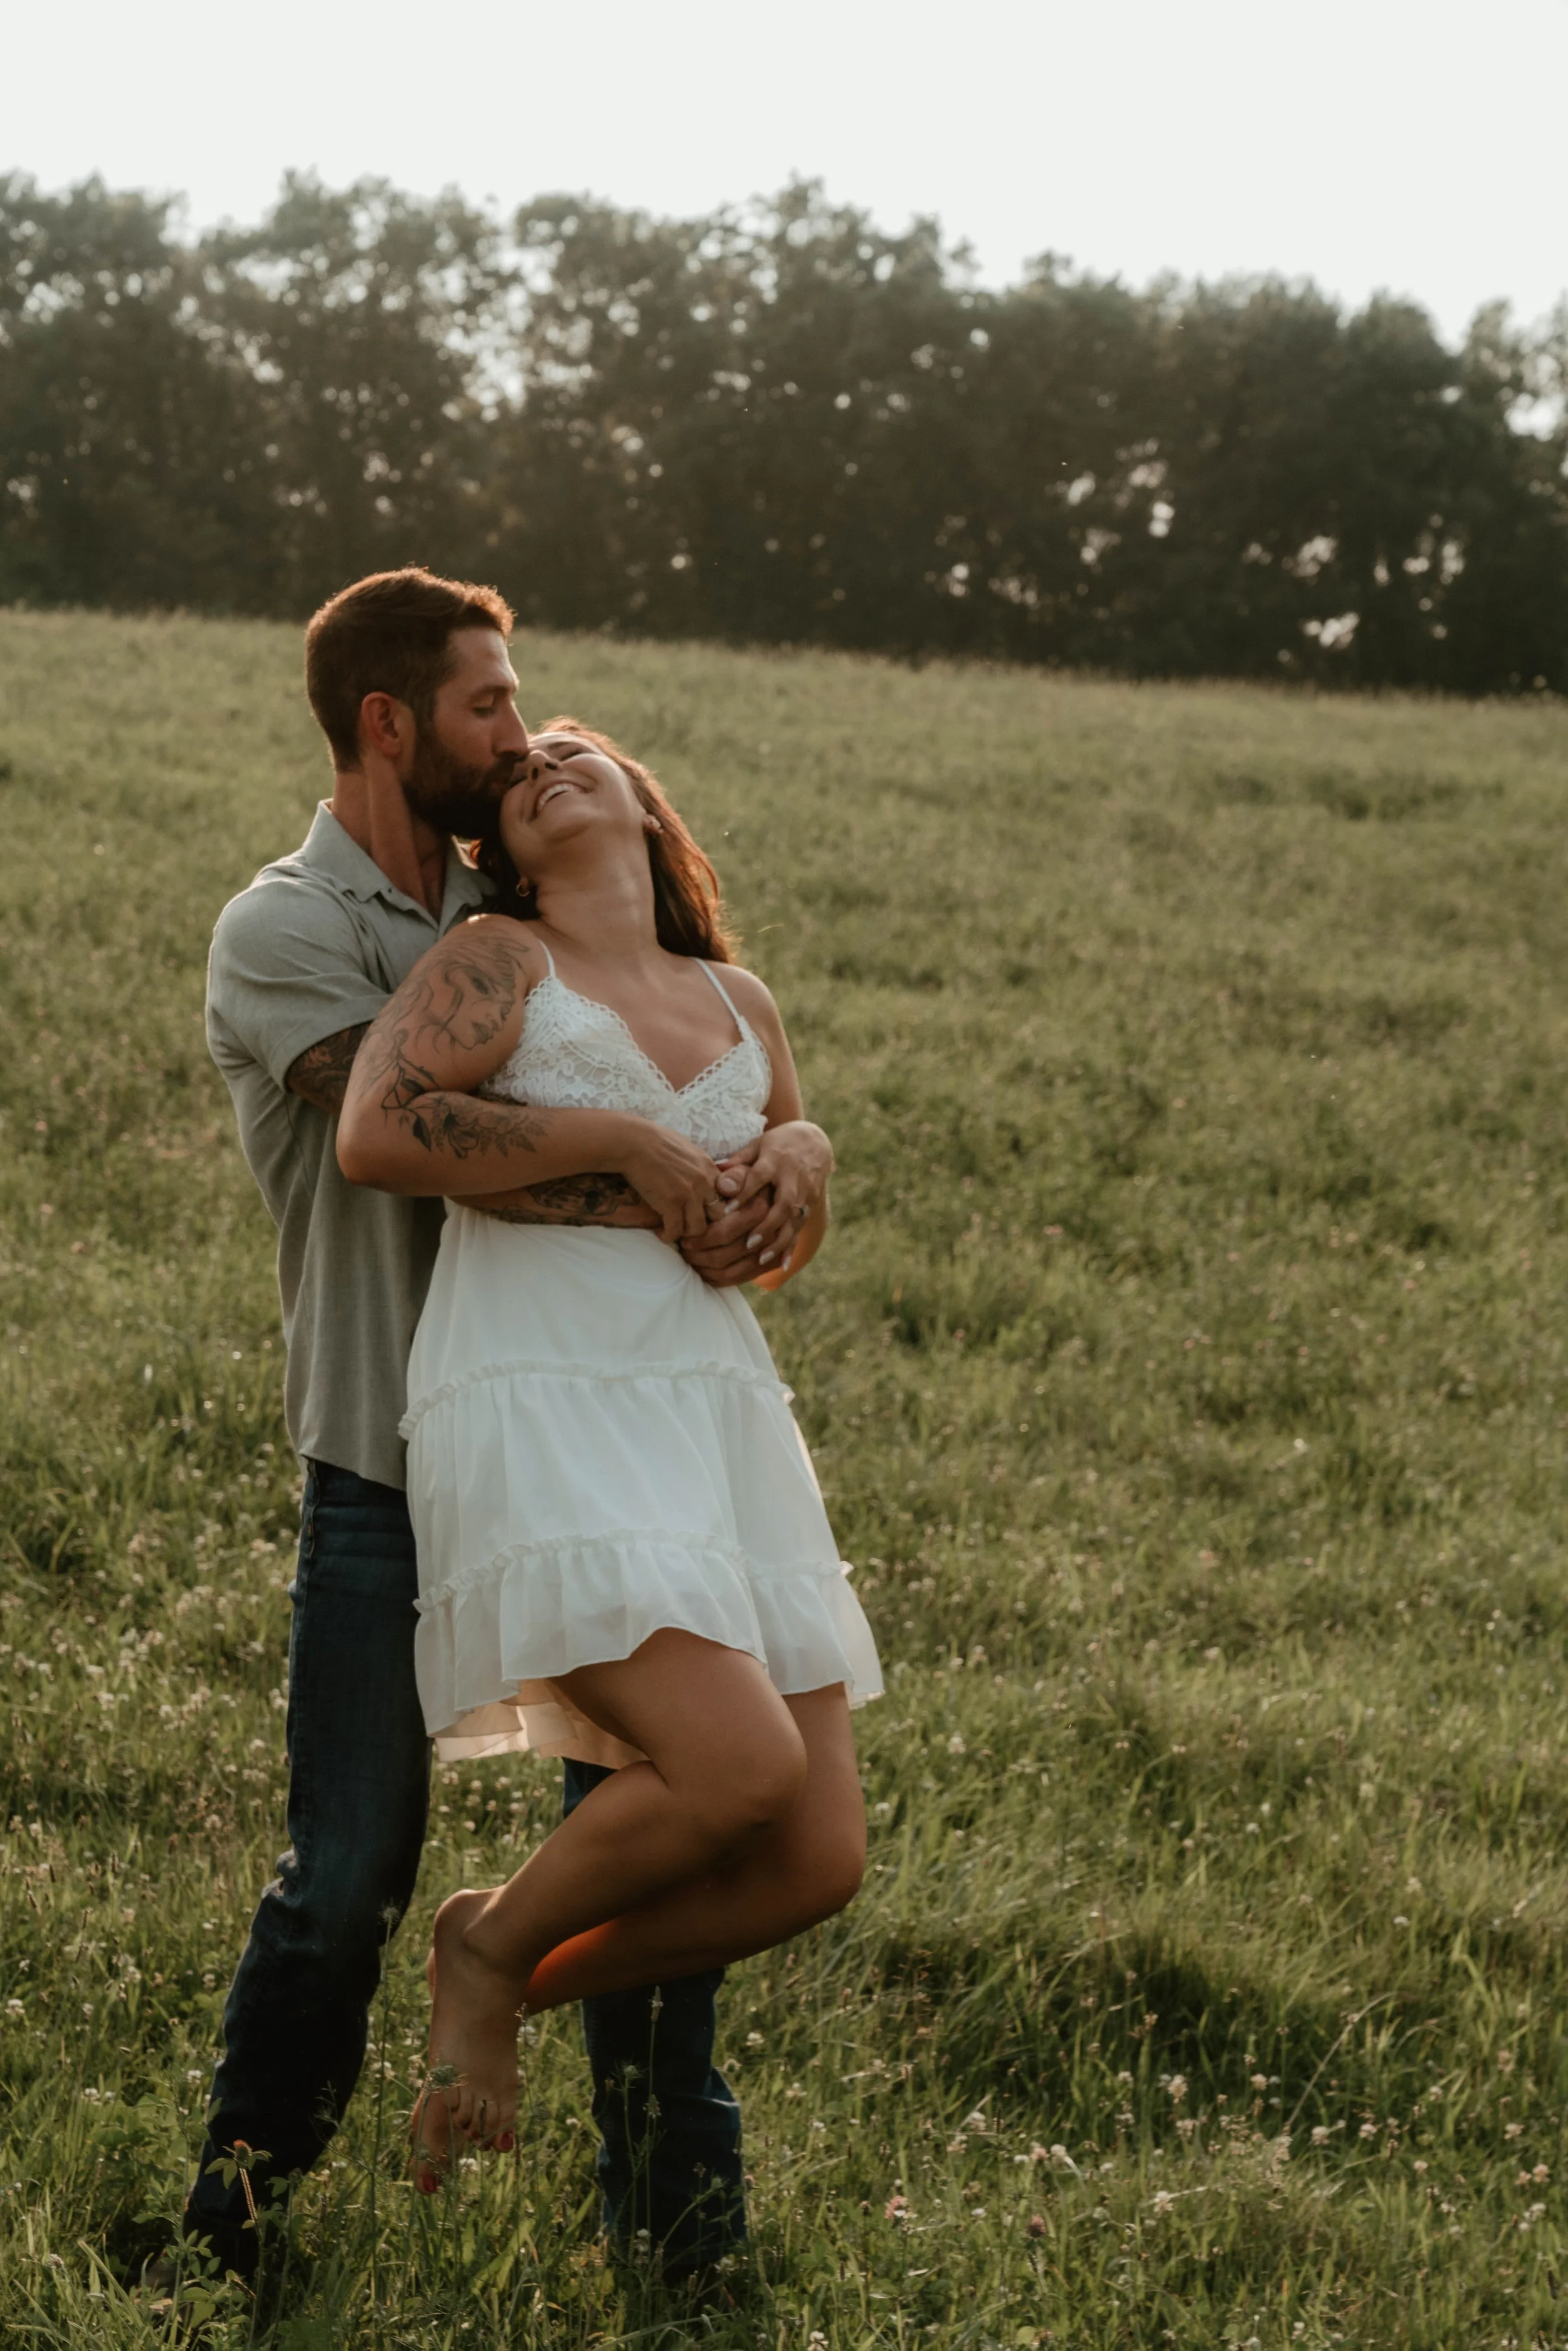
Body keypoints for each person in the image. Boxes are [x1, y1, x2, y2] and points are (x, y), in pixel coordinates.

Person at [196, 567, 835, 2285]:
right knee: (348, 1872)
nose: (518, 731)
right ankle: (235, 2224)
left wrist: (792, 1146)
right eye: (490, 704)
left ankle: (678, 2236)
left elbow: (687, 1067)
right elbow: (419, 1145)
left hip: (631, 1436)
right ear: (390, 722)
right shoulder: (292, 929)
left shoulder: (529, 903)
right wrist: (666, 1169)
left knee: (669, 1832)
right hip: (393, 1452)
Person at [335, 718, 881, 2184]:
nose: (542, 764)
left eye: (574, 749)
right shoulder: (499, 960)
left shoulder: (736, 995)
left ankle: (506, 1970)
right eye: (518, 774)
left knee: (816, 1853)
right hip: (547, 1385)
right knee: (737, 1764)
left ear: (646, 803)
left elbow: (768, 1246)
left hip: (709, 1404)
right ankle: (485, 1947)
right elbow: (376, 1132)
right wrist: (618, 1139)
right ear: (501, 855)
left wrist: (802, 1156)